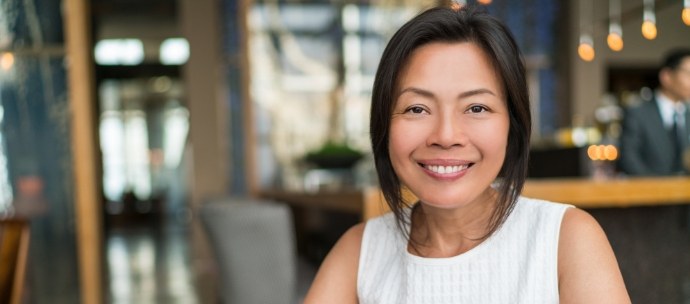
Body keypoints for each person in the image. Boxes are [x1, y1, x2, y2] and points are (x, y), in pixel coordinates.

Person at [305, 4, 630, 303]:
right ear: (383, 127)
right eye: (417, 108)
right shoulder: (360, 251)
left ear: (511, 125)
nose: (446, 136)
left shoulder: (565, 240)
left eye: (476, 107)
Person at [619, 49, 690, 176]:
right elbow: (628, 158)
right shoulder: (638, 113)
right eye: (688, 74)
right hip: (650, 191)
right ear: (666, 77)